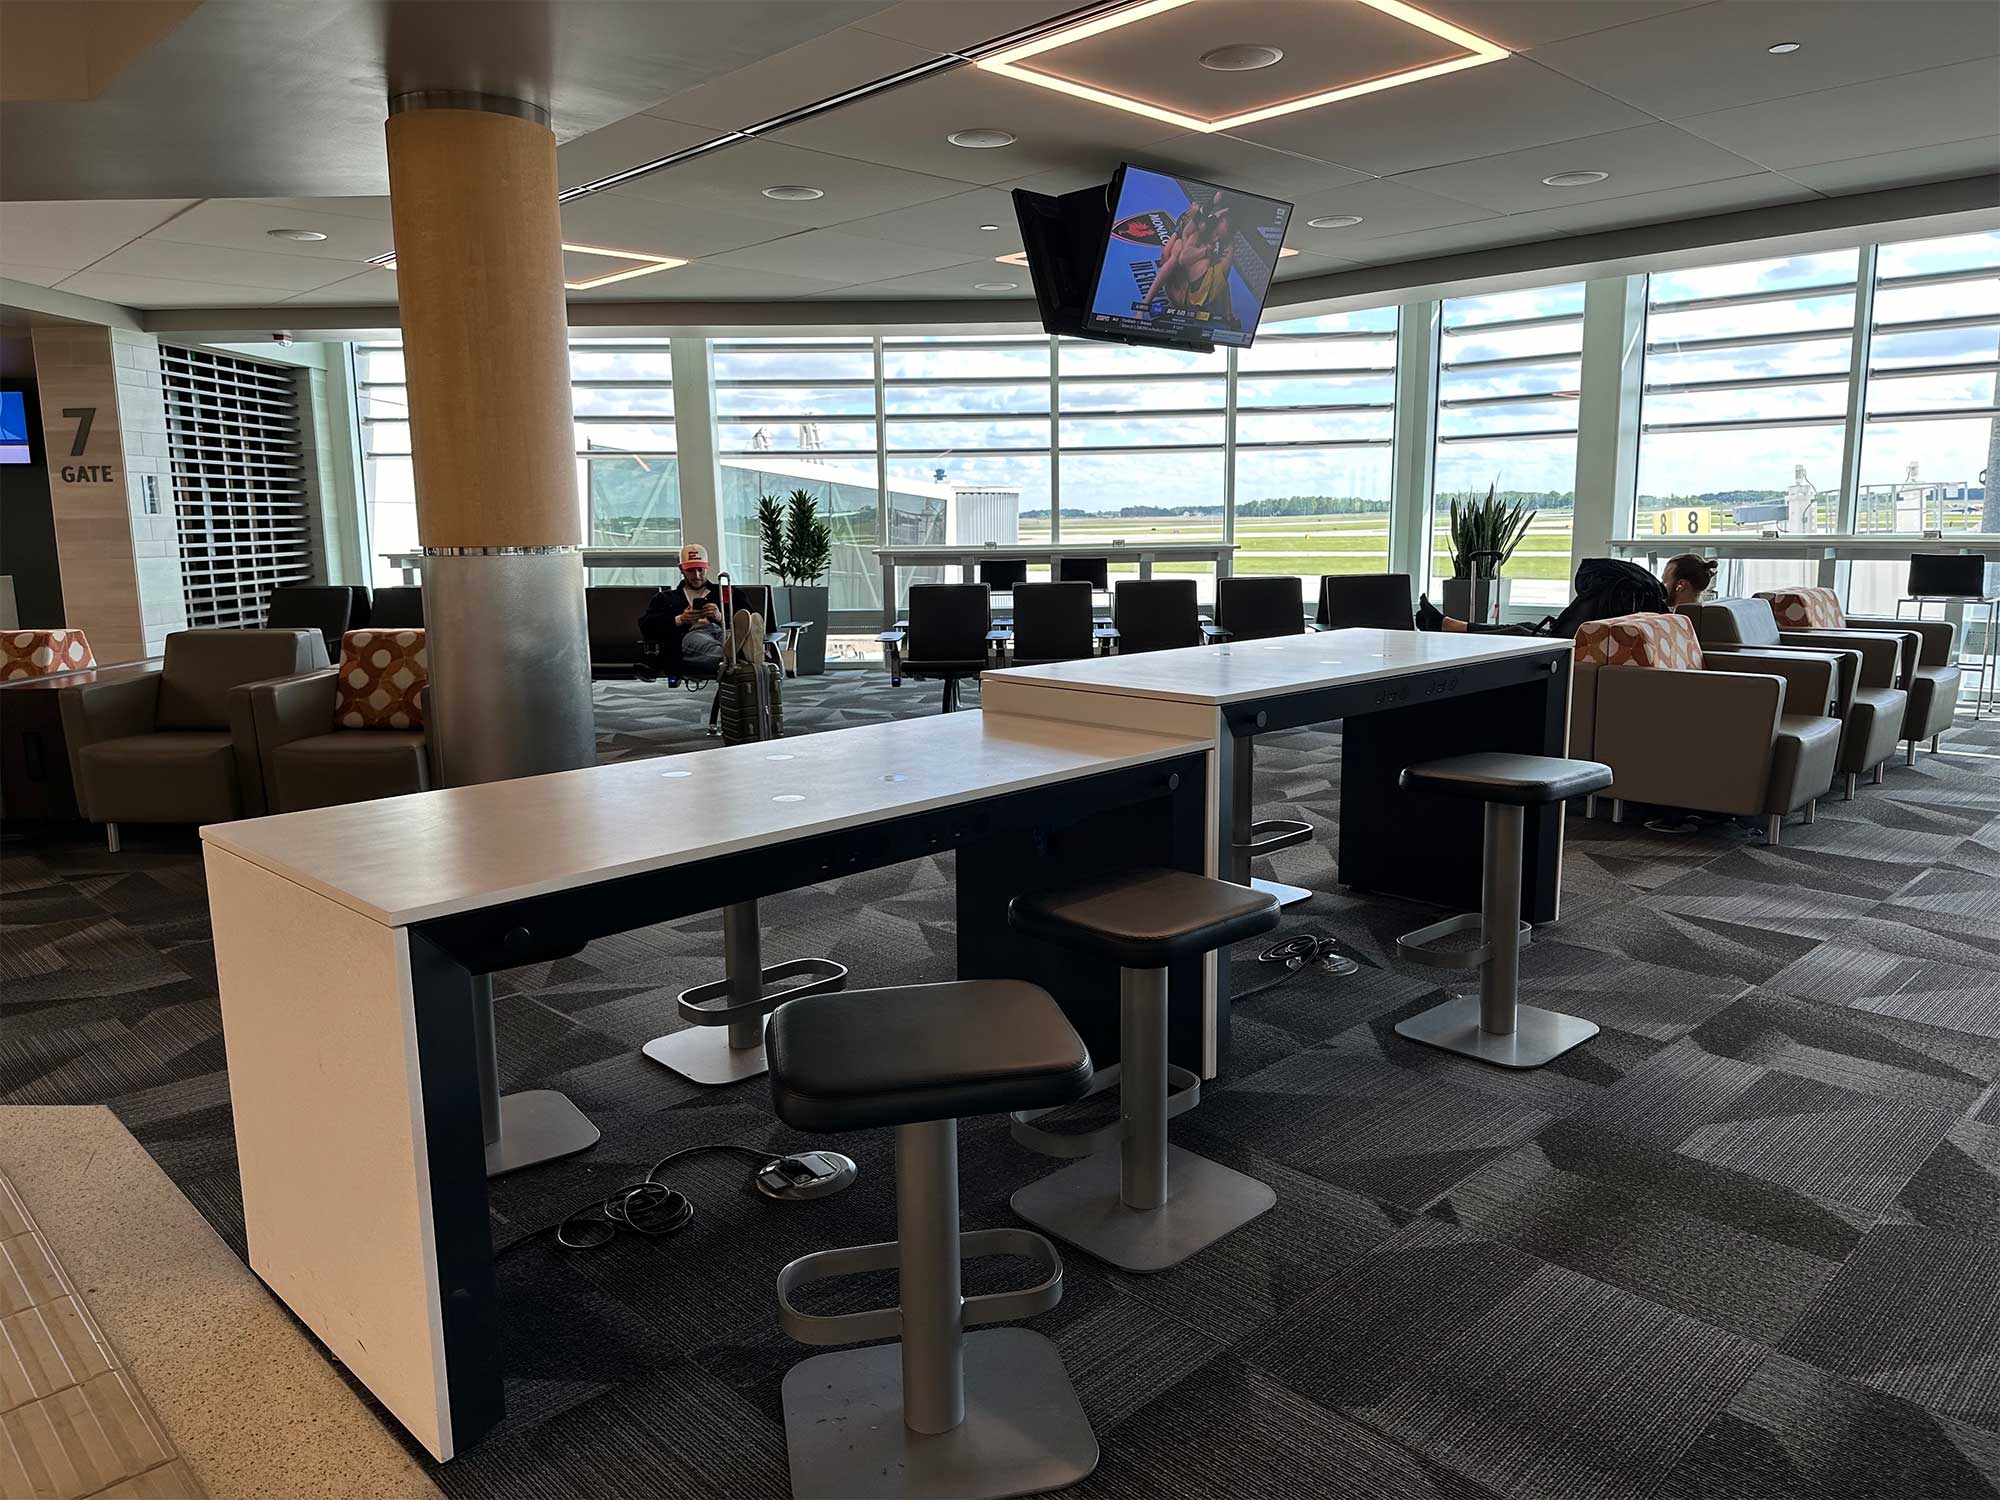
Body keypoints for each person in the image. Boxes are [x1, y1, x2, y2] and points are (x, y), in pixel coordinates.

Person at [1416, 553, 1717, 635]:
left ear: (1680, 585)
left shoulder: (1664, 614)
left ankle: (1450, 626)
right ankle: (1450, 625)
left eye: (1666, 576)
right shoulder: (1686, 619)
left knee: (1525, 635)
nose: (1661, 581)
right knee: (1524, 631)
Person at [639, 543, 727, 672]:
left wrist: (720, 617)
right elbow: (646, 627)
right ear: (681, 569)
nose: (696, 575)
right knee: (718, 648)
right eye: (690, 570)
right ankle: (736, 657)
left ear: (707, 567)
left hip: (723, 631)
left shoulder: (727, 593)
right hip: (692, 634)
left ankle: (732, 654)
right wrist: (680, 619)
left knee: (731, 638)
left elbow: (744, 618)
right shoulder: (665, 598)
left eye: (700, 570)